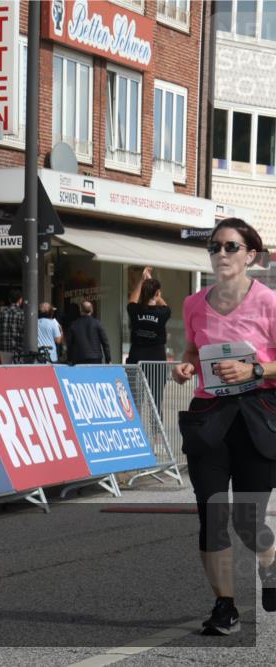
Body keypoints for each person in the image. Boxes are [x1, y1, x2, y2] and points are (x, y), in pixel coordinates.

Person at [171, 218, 276, 635]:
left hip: (257, 417)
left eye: (231, 247)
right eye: (215, 247)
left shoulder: (269, 302)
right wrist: (184, 366)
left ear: (251, 255)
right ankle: (225, 606)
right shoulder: (195, 303)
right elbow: (193, 350)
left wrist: (254, 368)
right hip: (210, 418)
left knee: (249, 521)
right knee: (212, 515)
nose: (221, 254)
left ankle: (269, 568)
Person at [127, 266, 171, 413]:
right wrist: (154, 290)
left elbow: (132, 300)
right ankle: (157, 434)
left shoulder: (135, 310)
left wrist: (142, 280)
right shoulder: (163, 312)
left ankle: (135, 430)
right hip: (156, 360)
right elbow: (164, 304)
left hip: (136, 357)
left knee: (133, 398)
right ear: (157, 293)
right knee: (156, 399)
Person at [65, 301, 111, 365]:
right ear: (92, 310)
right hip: (95, 358)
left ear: (80, 310)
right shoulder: (97, 323)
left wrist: (69, 359)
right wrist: (108, 359)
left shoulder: (74, 325)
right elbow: (105, 342)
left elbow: (69, 344)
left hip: (79, 358)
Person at [0, 289, 24, 365]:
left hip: (2, 350)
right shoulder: (22, 314)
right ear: (20, 300)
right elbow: (24, 334)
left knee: (3, 374)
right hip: (18, 351)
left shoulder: (1, 313)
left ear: (9, 300)